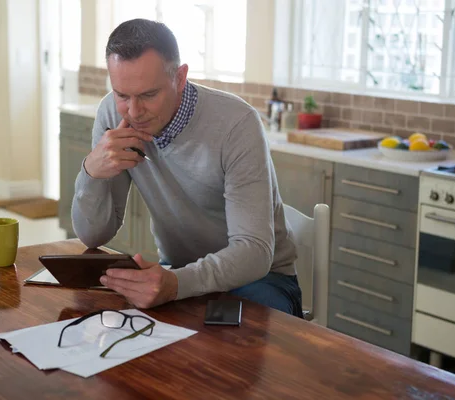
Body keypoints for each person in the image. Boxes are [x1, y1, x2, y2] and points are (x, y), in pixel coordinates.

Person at [71, 18, 302, 317]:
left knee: (228, 356)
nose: (134, 111)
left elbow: (255, 252)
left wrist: (176, 284)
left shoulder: (237, 124)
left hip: (262, 281)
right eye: (122, 95)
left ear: (180, 78)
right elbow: (93, 236)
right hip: (180, 275)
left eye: (148, 95)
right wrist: (91, 171)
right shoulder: (111, 116)